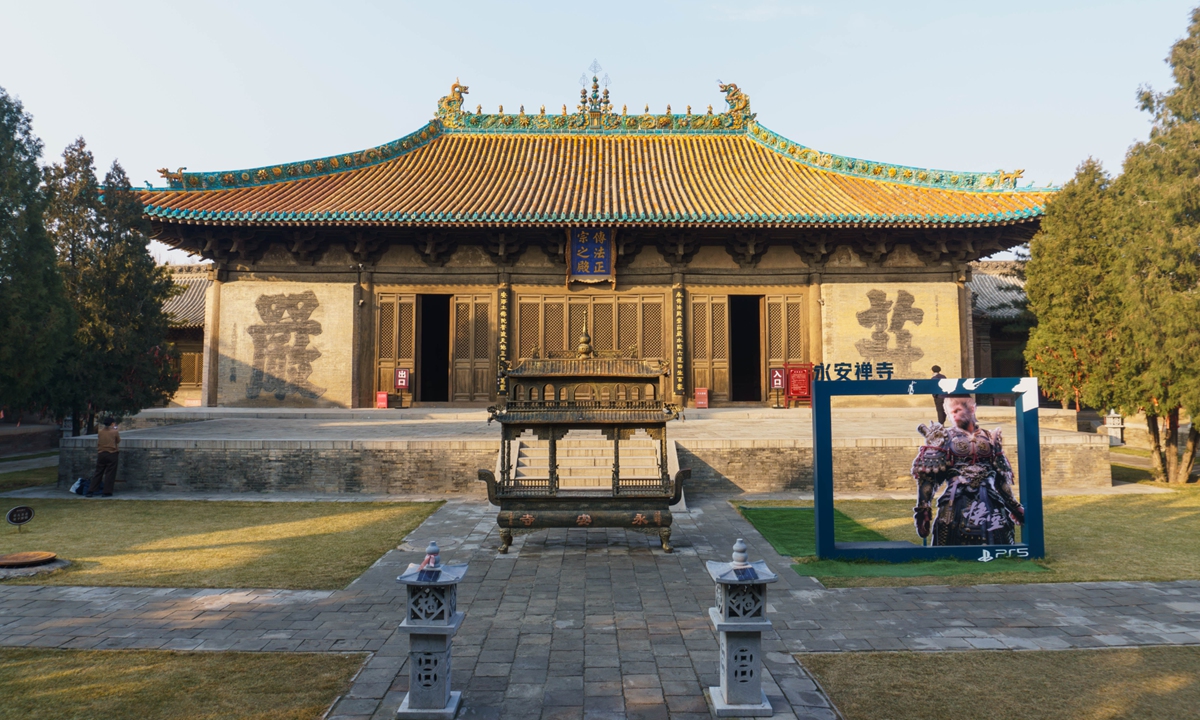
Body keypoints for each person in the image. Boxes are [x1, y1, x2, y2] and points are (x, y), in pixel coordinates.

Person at [910, 396, 1024, 546]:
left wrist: (1015, 507)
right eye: (950, 412)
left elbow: (1001, 480)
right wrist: (923, 510)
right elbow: (929, 479)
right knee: (949, 546)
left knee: (998, 543)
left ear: (972, 409)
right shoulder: (943, 438)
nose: (953, 415)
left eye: (957, 410)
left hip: (991, 501)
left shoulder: (990, 438)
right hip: (955, 504)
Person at [87, 416, 120, 497]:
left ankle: (91, 490)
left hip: (101, 453)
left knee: (98, 472)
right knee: (110, 473)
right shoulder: (114, 432)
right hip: (112, 453)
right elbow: (118, 440)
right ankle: (107, 492)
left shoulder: (100, 432)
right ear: (112, 424)